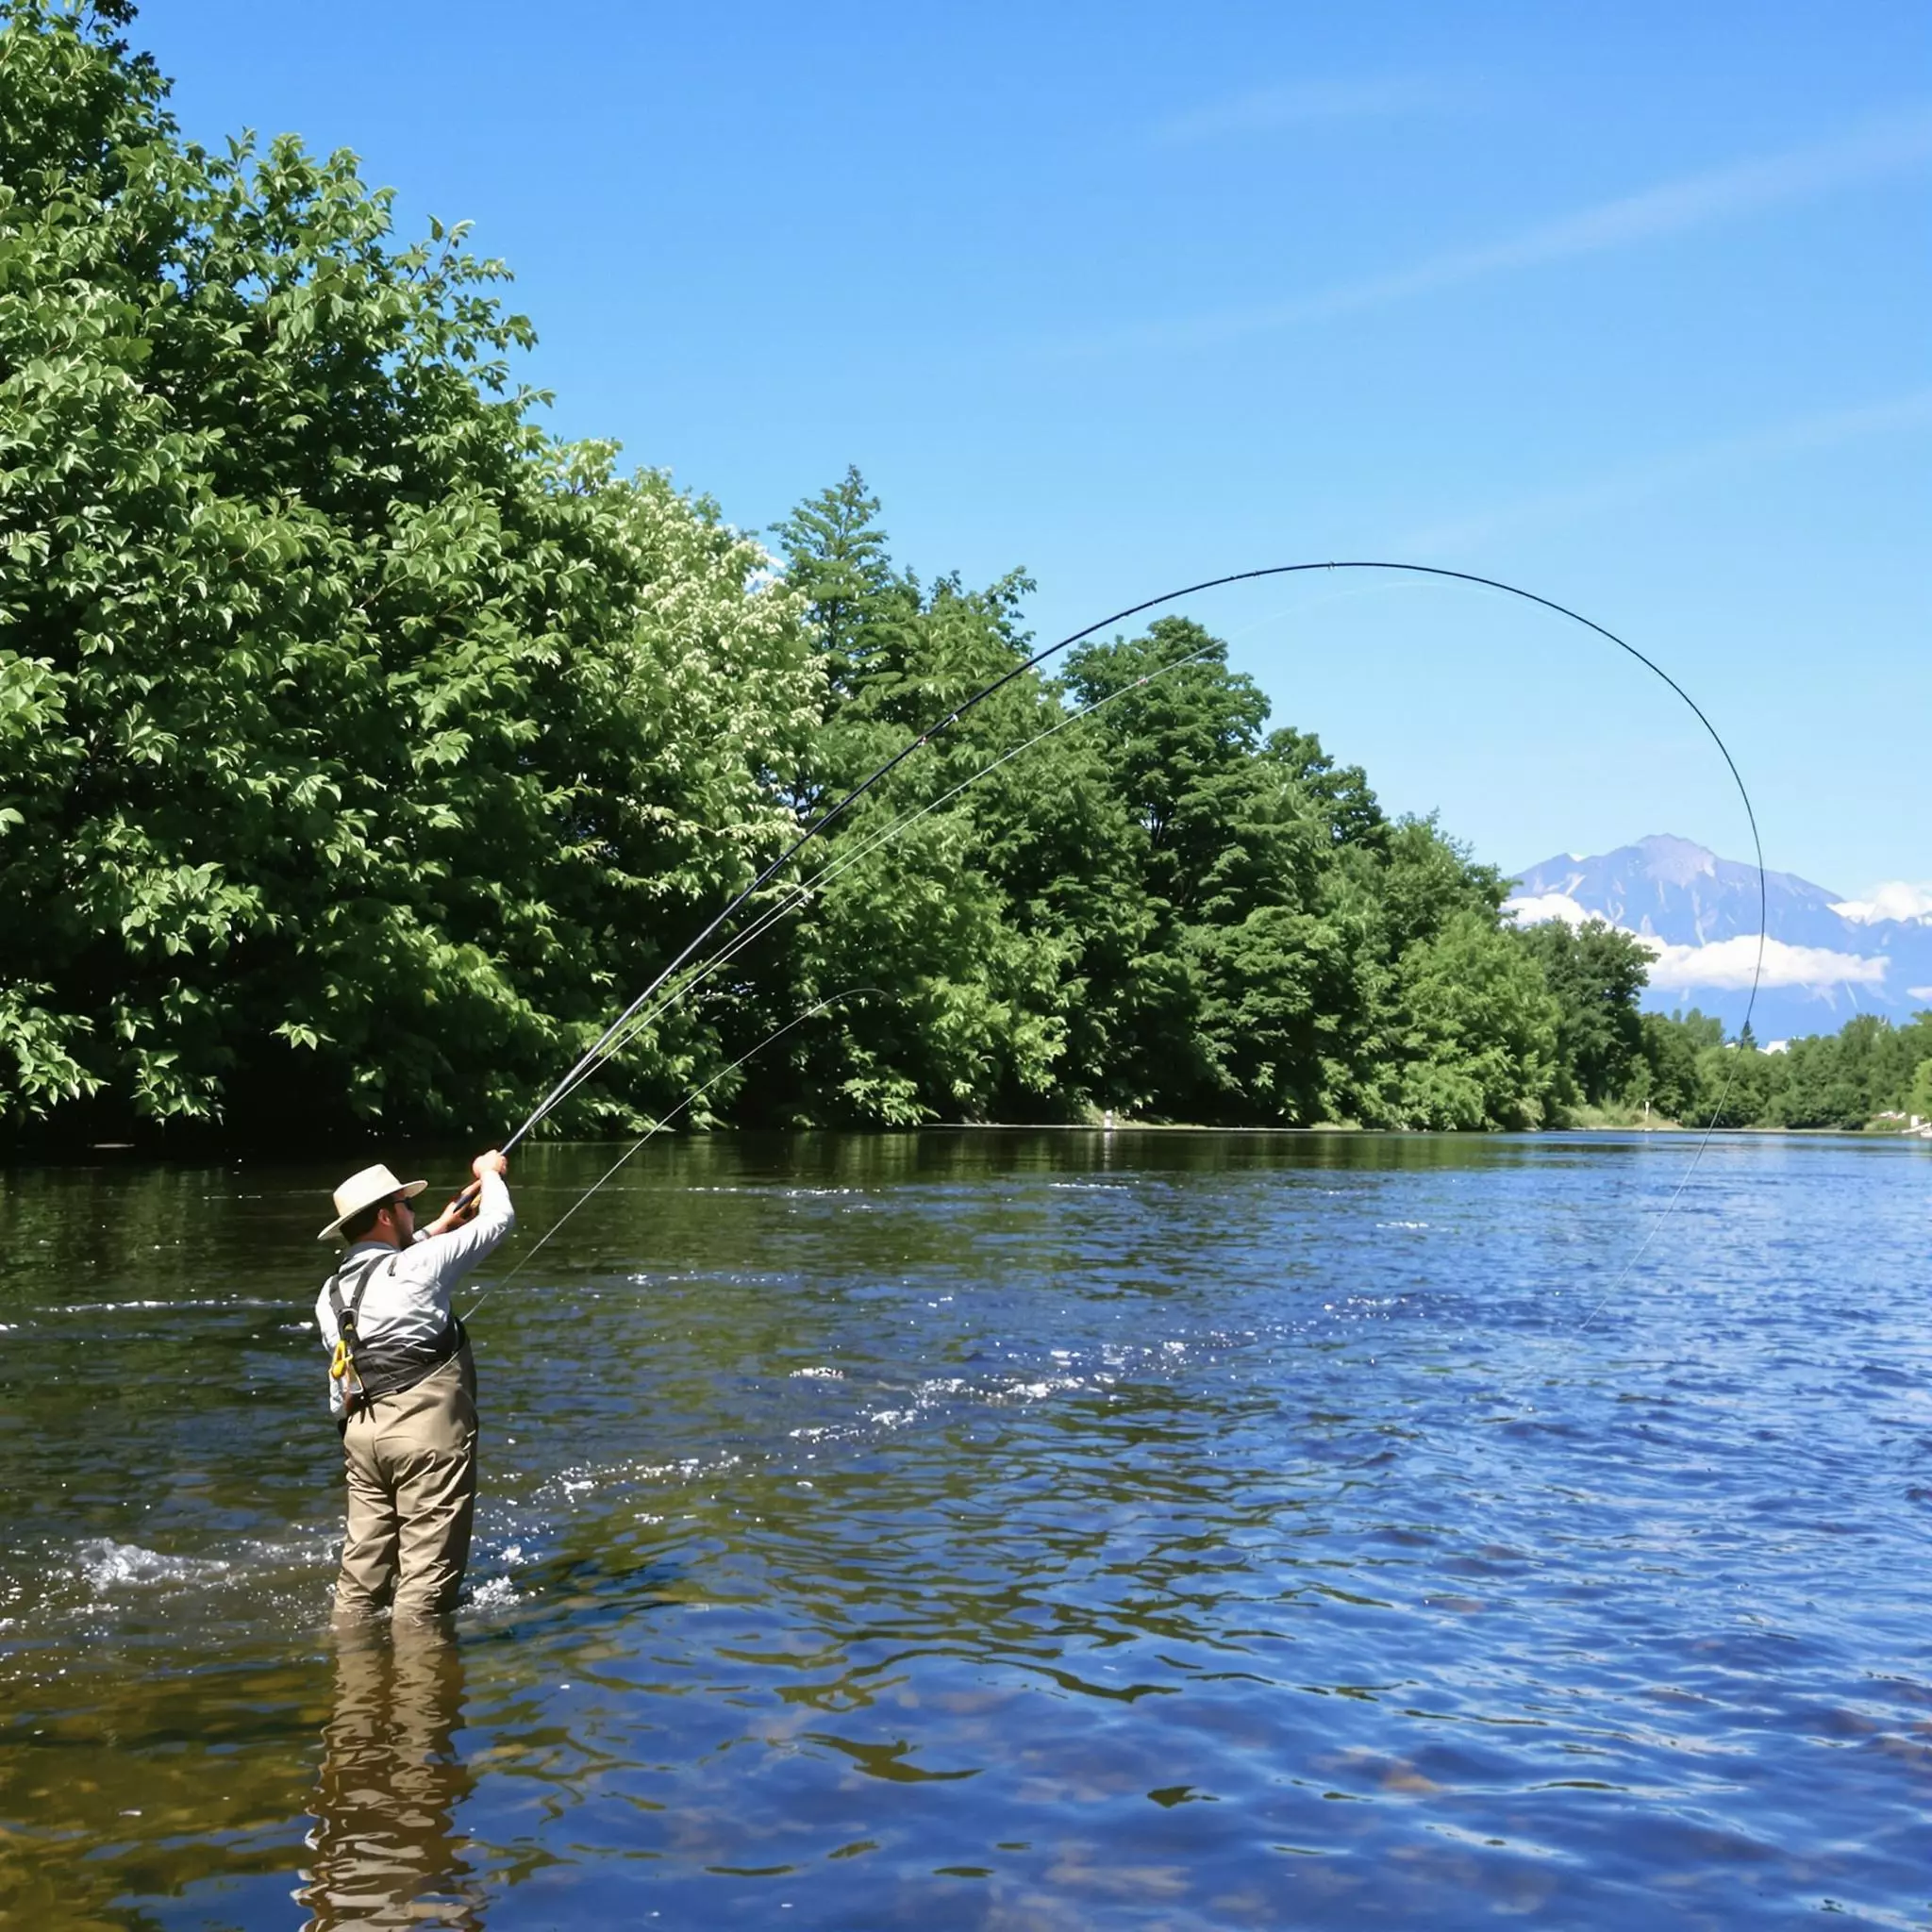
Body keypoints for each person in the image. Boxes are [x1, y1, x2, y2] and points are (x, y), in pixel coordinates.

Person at [315, 1151, 513, 1622]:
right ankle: (422, 1684)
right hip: (424, 1438)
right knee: (427, 1582)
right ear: (386, 1215)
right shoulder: (420, 1264)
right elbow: (499, 1219)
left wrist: (442, 1225)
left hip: (361, 1438)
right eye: (406, 1206)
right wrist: (488, 1174)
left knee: (361, 1577)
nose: (413, 1214)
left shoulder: (329, 1294)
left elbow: (391, 1264)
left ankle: (354, 1680)